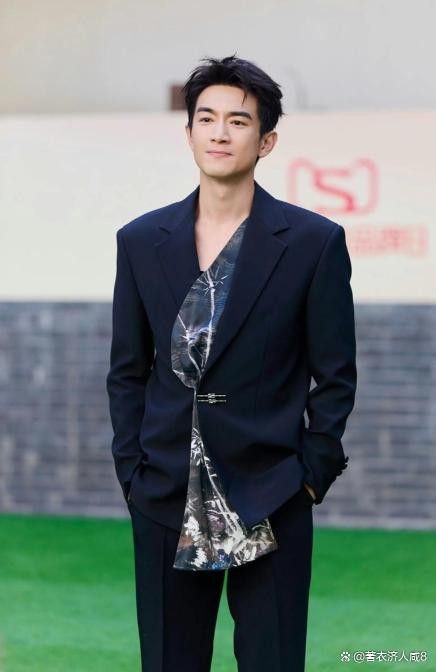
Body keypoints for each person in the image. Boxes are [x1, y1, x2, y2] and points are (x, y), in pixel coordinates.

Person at [106, 54, 357, 672]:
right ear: (189, 131)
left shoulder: (313, 243)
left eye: (239, 121)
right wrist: (133, 472)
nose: (220, 133)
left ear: (266, 140)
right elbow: (128, 370)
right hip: (164, 492)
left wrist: (310, 473)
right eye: (207, 118)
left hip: (272, 489)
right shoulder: (139, 241)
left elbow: (335, 374)